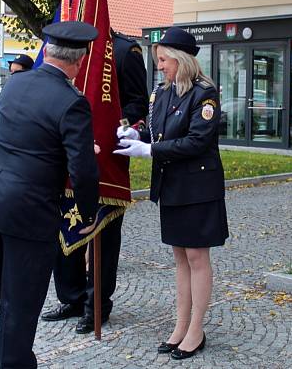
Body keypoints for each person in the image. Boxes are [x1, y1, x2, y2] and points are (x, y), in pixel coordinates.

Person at [0, 21, 100, 369]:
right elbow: (82, 171)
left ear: (46, 52)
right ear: (78, 63)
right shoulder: (72, 102)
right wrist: (89, 213)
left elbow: (25, 133)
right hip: (29, 210)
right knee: (19, 301)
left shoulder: (16, 85)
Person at [114, 26, 228, 361]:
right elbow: (154, 129)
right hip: (172, 184)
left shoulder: (204, 94)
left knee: (196, 257)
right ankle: (180, 325)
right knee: (179, 257)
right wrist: (133, 133)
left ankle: (196, 329)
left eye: (163, 60)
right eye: (158, 60)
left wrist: (150, 150)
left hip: (198, 186)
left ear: (181, 58)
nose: (160, 66)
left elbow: (197, 141)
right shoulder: (162, 93)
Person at [42, 30, 148, 334]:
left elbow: (137, 104)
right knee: (63, 231)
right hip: (65, 156)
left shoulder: (125, 51)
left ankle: (97, 304)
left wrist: (118, 127)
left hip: (105, 158)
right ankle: (70, 297)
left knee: (103, 236)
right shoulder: (61, 48)